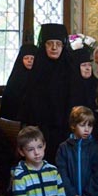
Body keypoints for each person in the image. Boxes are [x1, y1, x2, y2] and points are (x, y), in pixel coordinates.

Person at [25, 23, 75, 162]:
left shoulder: (71, 70)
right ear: (44, 45)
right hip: (41, 132)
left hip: (66, 129)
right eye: (50, 43)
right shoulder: (36, 70)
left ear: (63, 45)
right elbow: (30, 102)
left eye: (58, 44)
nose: (54, 48)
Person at [0, 44, 37, 122]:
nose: (29, 61)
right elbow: (8, 100)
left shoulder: (40, 76)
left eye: (32, 58)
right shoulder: (15, 77)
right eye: (26, 58)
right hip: (15, 118)